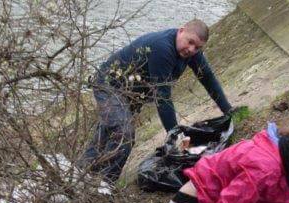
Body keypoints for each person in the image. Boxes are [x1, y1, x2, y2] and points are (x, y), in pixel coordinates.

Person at [80, 19, 232, 183]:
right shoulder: (162, 48)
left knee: (107, 132)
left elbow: (207, 78)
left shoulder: (191, 53)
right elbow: (162, 96)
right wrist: (175, 135)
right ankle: (103, 184)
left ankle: (82, 173)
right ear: (181, 31)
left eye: (197, 47)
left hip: (132, 91)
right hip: (109, 84)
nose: (192, 49)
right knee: (124, 133)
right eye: (190, 42)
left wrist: (228, 110)